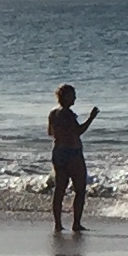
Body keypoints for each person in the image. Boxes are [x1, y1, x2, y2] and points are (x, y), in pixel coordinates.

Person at [47, 83, 99, 234]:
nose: (75, 98)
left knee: (60, 189)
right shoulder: (68, 114)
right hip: (72, 153)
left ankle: (57, 223)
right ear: (66, 97)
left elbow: (50, 133)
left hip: (58, 151)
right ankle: (76, 223)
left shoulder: (53, 114)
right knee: (80, 189)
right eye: (72, 95)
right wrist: (91, 118)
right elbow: (78, 131)